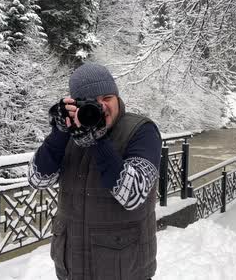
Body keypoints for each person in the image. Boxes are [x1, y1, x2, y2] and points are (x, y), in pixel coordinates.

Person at [28, 63, 162, 280]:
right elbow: (38, 180)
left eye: (107, 98)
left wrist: (98, 140)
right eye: (92, 102)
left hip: (124, 270)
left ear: (117, 98)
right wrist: (59, 133)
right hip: (71, 268)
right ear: (77, 105)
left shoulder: (142, 131)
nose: (102, 107)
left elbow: (133, 195)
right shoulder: (70, 133)